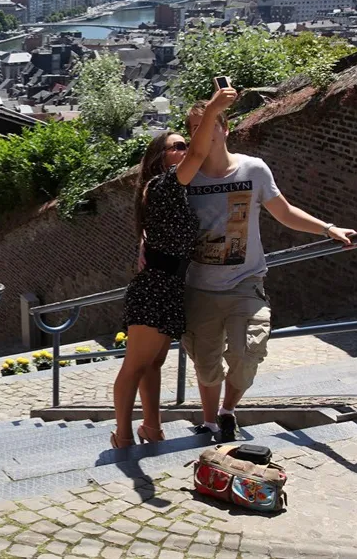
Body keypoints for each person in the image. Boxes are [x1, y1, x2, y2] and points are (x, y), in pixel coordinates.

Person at [182, 101, 355, 442]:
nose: (203, 132)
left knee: (248, 353)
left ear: (226, 128)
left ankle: (227, 411)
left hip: (246, 283)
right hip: (199, 287)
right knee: (205, 362)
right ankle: (211, 424)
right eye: (194, 127)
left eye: (210, 124)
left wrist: (327, 228)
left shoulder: (253, 170)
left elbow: (285, 212)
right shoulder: (186, 177)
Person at [112, 86, 238, 449]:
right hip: (155, 287)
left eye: (184, 145)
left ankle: (152, 428)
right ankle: (122, 434)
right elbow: (201, 152)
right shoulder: (165, 184)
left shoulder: (171, 189)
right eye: (176, 146)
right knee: (134, 366)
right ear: (160, 157)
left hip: (170, 286)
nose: (185, 150)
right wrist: (213, 108)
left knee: (153, 365)